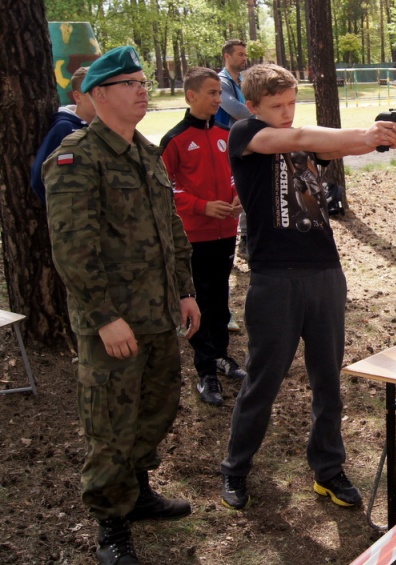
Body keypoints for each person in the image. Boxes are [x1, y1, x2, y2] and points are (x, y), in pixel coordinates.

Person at [218, 63, 396, 512]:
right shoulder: (246, 134)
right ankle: (236, 468)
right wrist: (369, 131)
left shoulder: (303, 142)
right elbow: (301, 137)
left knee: (328, 380)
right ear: (251, 107)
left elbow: (338, 144)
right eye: (276, 106)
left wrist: (378, 137)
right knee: (263, 381)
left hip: (325, 273)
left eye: (291, 104)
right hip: (275, 279)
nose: (286, 114)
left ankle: (328, 471)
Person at [43, 46, 200, 565]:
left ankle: (138, 493)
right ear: (98, 94)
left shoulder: (144, 152)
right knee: (110, 423)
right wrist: (104, 318)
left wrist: (184, 290)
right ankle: (111, 524)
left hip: (157, 313)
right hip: (112, 321)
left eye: (142, 80)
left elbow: (170, 230)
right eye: (129, 82)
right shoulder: (75, 157)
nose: (142, 89)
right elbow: (72, 249)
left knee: (155, 408)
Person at [159, 67, 247, 407]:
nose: (218, 99)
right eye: (211, 93)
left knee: (220, 298)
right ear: (190, 96)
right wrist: (200, 206)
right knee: (200, 300)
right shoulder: (175, 139)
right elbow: (165, 188)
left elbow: (233, 176)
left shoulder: (226, 133)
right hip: (193, 235)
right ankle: (204, 370)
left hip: (225, 232)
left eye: (219, 93)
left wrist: (237, 196)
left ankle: (221, 356)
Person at [30, 66, 96, 204]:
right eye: (93, 92)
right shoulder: (64, 129)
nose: (101, 98)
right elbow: (39, 178)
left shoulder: (104, 127)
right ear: (78, 96)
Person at [216, 39, 254, 261]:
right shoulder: (222, 82)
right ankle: (239, 241)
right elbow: (236, 110)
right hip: (228, 145)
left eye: (244, 54)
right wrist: (261, 115)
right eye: (239, 54)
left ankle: (245, 238)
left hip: (243, 144)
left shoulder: (241, 80)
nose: (244, 58)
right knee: (234, 191)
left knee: (243, 190)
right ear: (227, 57)